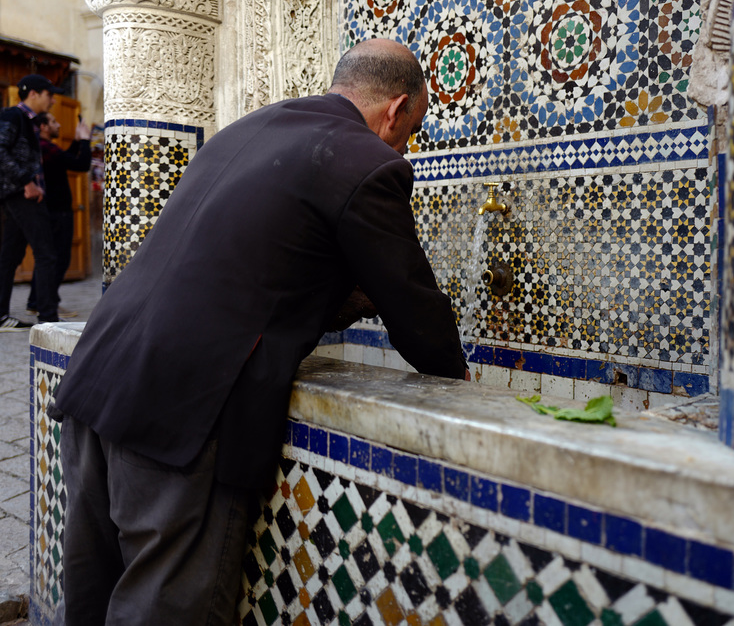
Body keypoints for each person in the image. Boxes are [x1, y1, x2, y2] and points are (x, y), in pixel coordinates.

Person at [50, 39, 468, 626]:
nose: (403, 147)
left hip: (98, 374)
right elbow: (417, 312)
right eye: (409, 132)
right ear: (396, 110)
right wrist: (459, 377)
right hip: (181, 411)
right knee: (164, 607)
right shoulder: (367, 161)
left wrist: (343, 299)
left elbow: (251, 274)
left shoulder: (252, 128)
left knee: (90, 591)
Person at [0, 74, 62, 329]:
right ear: (33, 94)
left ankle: (1, 315)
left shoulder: (29, 121)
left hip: (17, 194)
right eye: (49, 94)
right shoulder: (13, 116)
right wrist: (26, 181)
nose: (53, 100)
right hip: (22, 194)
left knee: (9, 257)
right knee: (46, 254)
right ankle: (48, 318)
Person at [26, 112, 92, 317]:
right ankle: (47, 303)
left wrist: (77, 141)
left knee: (47, 258)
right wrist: (86, 141)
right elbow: (81, 165)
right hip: (58, 213)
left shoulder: (45, 148)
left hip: (50, 211)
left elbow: (65, 159)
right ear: (44, 126)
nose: (58, 124)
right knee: (59, 259)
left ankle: (37, 302)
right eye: (54, 121)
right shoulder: (46, 148)